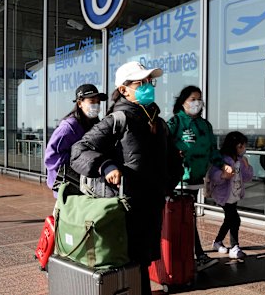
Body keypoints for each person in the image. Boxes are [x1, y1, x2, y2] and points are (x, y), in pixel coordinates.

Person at [70, 61, 181, 295]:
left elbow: (173, 162)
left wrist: (165, 185)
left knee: (144, 261)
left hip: (151, 205)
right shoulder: (117, 119)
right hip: (125, 208)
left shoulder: (158, 123)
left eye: (150, 82)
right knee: (128, 262)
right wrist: (106, 166)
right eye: (140, 83)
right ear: (123, 89)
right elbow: (78, 151)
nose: (148, 86)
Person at [167, 85, 233, 271]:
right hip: (179, 180)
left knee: (189, 218)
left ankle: (193, 254)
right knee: (187, 218)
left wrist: (222, 165)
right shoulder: (175, 123)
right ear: (183, 102)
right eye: (192, 99)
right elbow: (163, 146)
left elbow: (212, 151)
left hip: (196, 180)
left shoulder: (205, 125)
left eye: (199, 99)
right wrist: (174, 155)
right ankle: (197, 254)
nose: (197, 102)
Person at [44, 84, 106, 198]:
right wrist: (78, 161)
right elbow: (51, 157)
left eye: (98, 102)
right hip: (69, 186)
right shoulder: (68, 127)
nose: (96, 105)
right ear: (79, 103)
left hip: (87, 185)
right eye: (92, 101)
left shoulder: (95, 124)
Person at [209, 131, 254, 259]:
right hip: (224, 195)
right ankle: (234, 247)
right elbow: (213, 176)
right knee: (234, 219)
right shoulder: (223, 159)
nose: (244, 149)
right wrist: (223, 175)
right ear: (234, 146)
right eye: (242, 146)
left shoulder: (240, 160)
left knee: (229, 219)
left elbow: (246, 178)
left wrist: (247, 166)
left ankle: (218, 242)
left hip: (234, 195)